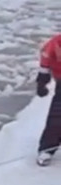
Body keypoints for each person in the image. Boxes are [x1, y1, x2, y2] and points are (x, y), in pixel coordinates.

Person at [35, 33, 61, 167]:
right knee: (57, 116)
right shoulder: (55, 43)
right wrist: (42, 83)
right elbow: (44, 64)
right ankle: (47, 149)